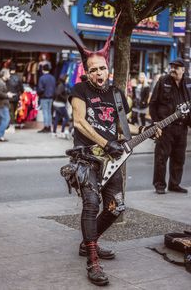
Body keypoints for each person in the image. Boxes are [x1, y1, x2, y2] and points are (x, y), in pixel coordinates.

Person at [64, 20, 161, 286]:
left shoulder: (117, 94)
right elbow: (79, 122)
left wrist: (144, 127)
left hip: (111, 161)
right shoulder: (79, 90)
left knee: (116, 207)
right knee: (91, 204)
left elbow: (122, 126)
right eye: (93, 69)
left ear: (109, 68)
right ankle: (92, 261)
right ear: (86, 71)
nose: (99, 73)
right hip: (86, 158)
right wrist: (106, 143)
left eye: (102, 68)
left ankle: (89, 242)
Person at [149, 58, 191, 195]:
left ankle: (175, 184)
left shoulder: (189, 83)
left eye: (177, 67)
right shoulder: (163, 80)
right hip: (165, 127)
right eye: (172, 66)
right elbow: (153, 103)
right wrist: (156, 123)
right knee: (161, 157)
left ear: (183, 70)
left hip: (182, 128)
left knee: (179, 158)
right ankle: (159, 185)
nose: (173, 69)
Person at [0, 68, 16, 142]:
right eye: (8, 73)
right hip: (1, 104)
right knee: (6, 119)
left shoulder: (0, 82)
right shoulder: (0, 83)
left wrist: (7, 94)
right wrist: (7, 95)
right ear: (4, 74)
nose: (9, 75)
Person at [37, 64, 56, 133]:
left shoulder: (42, 78)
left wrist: (39, 94)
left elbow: (40, 89)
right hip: (51, 97)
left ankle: (46, 127)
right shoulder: (53, 78)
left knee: (45, 112)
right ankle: (49, 126)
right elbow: (54, 88)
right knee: (49, 112)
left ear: (43, 70)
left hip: (44, 97)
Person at [7, 63, 23, 131]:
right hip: (16, 97)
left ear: (9, 70)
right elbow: (21, 89)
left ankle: (11, 125)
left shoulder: (7, 77)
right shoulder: (18, 78)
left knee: (10, 112)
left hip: (9, 96)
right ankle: (12, 124)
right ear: (15, 70)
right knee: (14, 112)